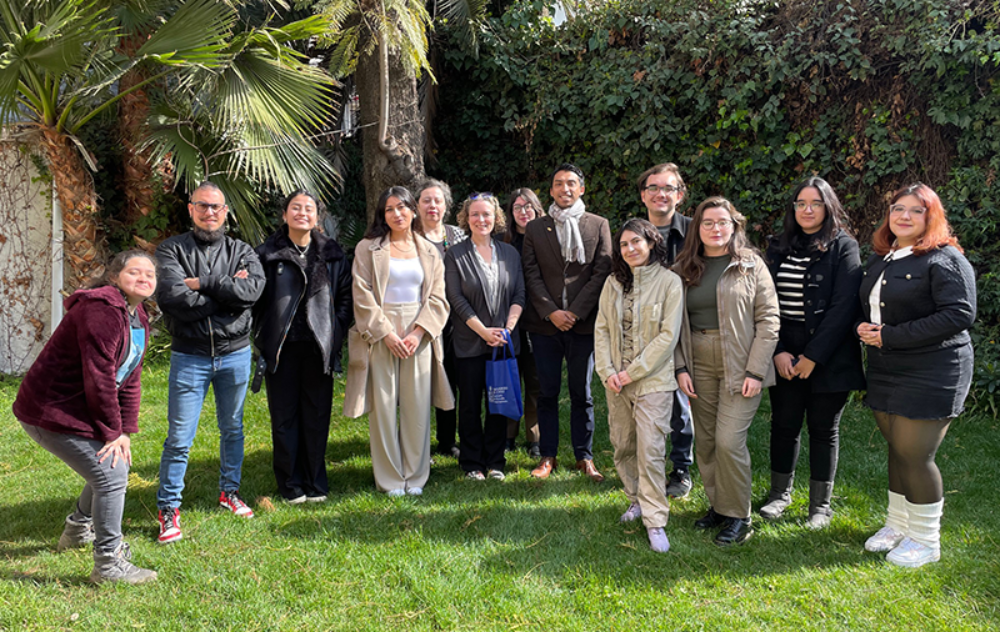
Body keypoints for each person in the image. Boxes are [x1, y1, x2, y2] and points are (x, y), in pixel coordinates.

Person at [14, 251, 158, 583]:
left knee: (113, 463)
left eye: (150, 274)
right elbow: (100, 378)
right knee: (111, 474)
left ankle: (78, 529)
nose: (144, 278)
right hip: (49, 411)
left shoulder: (137, 316)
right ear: (114, 277)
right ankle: (108, 563)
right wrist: (111, 432)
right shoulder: (100, 311)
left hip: (77, 410)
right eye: (134, 271)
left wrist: (124, 432)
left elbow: (129, 378)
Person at [857, 183, 976, 568]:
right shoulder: (885, 257)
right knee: (898, 449)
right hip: (888, 367)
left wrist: (889, 336)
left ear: (931, 217)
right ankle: (898, 524)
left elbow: (959, 314)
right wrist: (868, 329)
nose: (904, 216)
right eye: (897, 208)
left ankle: (926, 540)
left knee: (916, 453)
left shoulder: (945, 259)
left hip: (933, 369)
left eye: (915, 210)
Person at [154, 182, 265, 544]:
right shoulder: (171, 250)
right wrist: (227, 293)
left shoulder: (241, 249)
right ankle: (168, 509)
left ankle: (229, 492)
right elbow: (174, 299)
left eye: (216, 207)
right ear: (191, 209)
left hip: (235, 354)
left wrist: (204, 284)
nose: (210, 213)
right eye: (202, 206)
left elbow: (252, 292)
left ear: (225, 211)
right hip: (191, 355)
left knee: (232, 429)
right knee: (179, 438)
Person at [674, 197, 780, 546]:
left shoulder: (751, 265)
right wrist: (681, 367)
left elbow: (769, 320)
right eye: (708, 223)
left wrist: (755, 370)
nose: (715, 229)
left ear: (735, 226)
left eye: (723, 222)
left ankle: (740, 516)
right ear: (697, 228)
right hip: (698, 360)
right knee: (704, 442)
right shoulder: (685, 267)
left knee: (728, 441)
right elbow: (672, 324)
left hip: (740, 363)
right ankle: (720, 506)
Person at [760, 177, 865, 529]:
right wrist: (777, 351)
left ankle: (820, 506)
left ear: (828, 207)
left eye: (815, 203)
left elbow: (844, 306)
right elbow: (764, 303)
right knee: (783, 425)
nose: (807, 210)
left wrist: (813, 357)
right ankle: (779, 495)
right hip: (784, 348)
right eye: (801, 203)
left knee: (823, 429)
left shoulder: (844, 246)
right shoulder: (777, 246)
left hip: (830, 352)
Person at [343, 186, 452, 496]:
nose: (397, 214)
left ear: (412, 211)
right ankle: (391, 479)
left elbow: (438, 297)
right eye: (390, 209)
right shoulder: (367, 248)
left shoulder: (429, 251)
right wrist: (387, 334)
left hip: (419, 333)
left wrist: (418, 333)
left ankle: (415, 477)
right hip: (380, 333)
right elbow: (361, 295)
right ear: (383, 214)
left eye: (402, 207)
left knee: (417, 406)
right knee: (384, 406)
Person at [254, 191, 353, 504]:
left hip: (318, 347)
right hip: (282, 348)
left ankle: (315, 482)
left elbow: (346, 299)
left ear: (317, 217)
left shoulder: (333, 254)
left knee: (316, 415)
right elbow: (255, 301)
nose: (302, 213)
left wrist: (334, 332)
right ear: (284, 215)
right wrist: (263, 334)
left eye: (308, 208)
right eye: (295, 208)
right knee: (284, 417)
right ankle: (290, 484)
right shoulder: (267, 254)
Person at [595, 219, 684, 553]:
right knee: (622, 444)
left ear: (651, 242)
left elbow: (667, 336)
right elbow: (602, 329)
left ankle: (656, 520)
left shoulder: (670, 282)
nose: (630, 249)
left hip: (653, 381)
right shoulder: (612, 284)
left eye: (636, 242)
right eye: (623, 245)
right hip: (616, 382)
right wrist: (607, 372)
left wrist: (633, 372)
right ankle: (636, 499)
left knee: (650, 450)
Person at [522, 163, 613, 482]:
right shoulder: (536, 228)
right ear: (550, 190)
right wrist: (551, 311)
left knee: (582, 392)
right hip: (545, 326)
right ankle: (547, 455)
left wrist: (575, 311)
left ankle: (584, 456)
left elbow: (602, 270)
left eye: (571, 183)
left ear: (582, 188)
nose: (565, 189)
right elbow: (530, 273)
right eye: (558, 183)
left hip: (583, 324)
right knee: (546, 391)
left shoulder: (598, 225)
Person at [445, 193, 525, 481]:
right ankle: (471, 463)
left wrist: (507, 329)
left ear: (496, 218)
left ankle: (495, 462)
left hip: (503, 343)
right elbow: (455, 298)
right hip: (469, 342)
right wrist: (483, 331)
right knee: (469, 404)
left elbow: (518, 294)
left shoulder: (510, 253)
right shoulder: (455, 254)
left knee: (497, 401)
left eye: (487, 214)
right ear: (466, 219)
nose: (481, 219)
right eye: (475, 214)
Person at [637, 163, 695, 498]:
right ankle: (647, 467)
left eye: (668, 188)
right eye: (654, 188)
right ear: (644, 195)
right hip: (645, 333)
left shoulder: (695, 233)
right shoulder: (633, 235)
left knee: (681, 405)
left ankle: (681, 469)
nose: (661, 194)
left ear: (680, 195)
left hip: (686, 332)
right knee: (646, 404)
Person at [413, 178, 467, 458]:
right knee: (420, 382)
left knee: (451, 380)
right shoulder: (407, 235)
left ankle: (448, 441)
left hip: (455, 320)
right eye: (426, 200)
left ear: (446, 206)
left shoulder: (457, 235)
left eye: (438, 200)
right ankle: (417, 443)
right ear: (417, 205)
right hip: (419, 319)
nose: (432, 205)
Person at [501, 188, 545, 457]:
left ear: (538, 209)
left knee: (536, 382)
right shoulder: (501, 242)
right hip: (508, 321)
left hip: (539, 320)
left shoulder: (548, 239)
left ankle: (535, 438)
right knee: (509, 380)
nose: (523, 212)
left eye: (528, 206)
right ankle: (507, 435)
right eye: (517, 207)